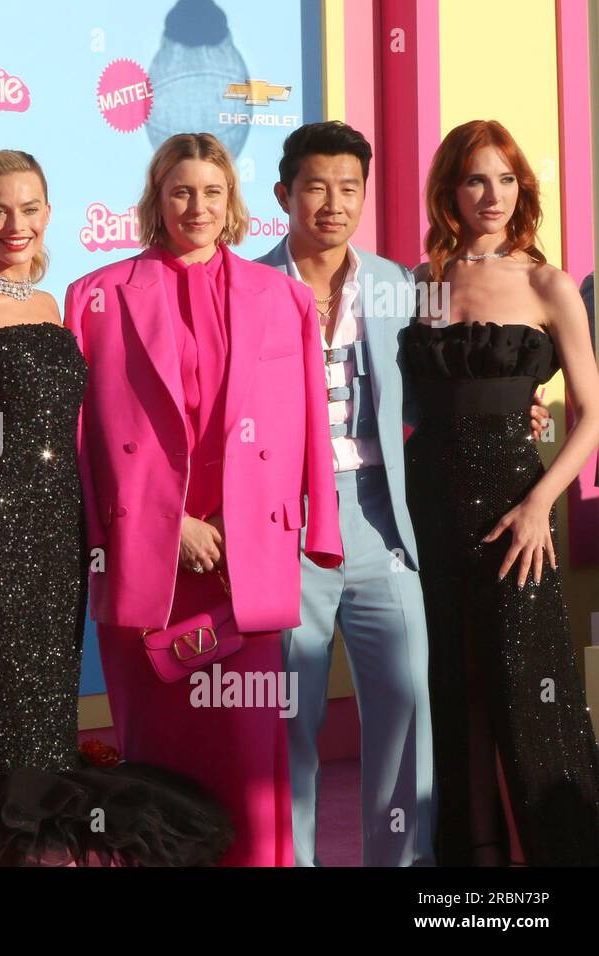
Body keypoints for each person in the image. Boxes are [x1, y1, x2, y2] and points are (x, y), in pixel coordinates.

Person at [0, 149, 232, 866]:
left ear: (49, 213)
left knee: (49, 712)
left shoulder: (63, 305)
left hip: (66, 532)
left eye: (29, 208)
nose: (14, 224)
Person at [66, 132, 342, 867]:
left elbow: (310, 420)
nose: (197, 206)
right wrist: (172, 525)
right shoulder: (96, 297)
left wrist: (307, 531)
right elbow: (88, 441)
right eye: (181, 191)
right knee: (158, 766)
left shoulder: (282, 297)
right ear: (157, 199)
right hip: (149, 567)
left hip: (242, 568)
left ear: (233, 203)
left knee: (247, 764)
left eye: (212, 193)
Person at [404, 119, 599, 866]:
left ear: (524, 190)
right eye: (477, 179)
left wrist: (539, 503)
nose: (493, 194)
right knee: (455, 685)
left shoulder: (547, 284)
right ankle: (474, 861)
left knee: (531, 688)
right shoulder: (421, 283)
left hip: (520, 510)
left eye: (507, 179)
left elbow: (592, 414)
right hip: (429, 504)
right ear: (451, 189)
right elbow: (409, 400)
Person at [257, 121, 435, 867]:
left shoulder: (400, 283)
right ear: (284, 194)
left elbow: (430, 393)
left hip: (379, 517)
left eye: (349, 188)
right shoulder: (249, 287)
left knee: (405, 705)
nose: (334, 203)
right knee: (285, 718)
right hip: (283, 525)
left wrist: (507, 405)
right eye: (317, 187)